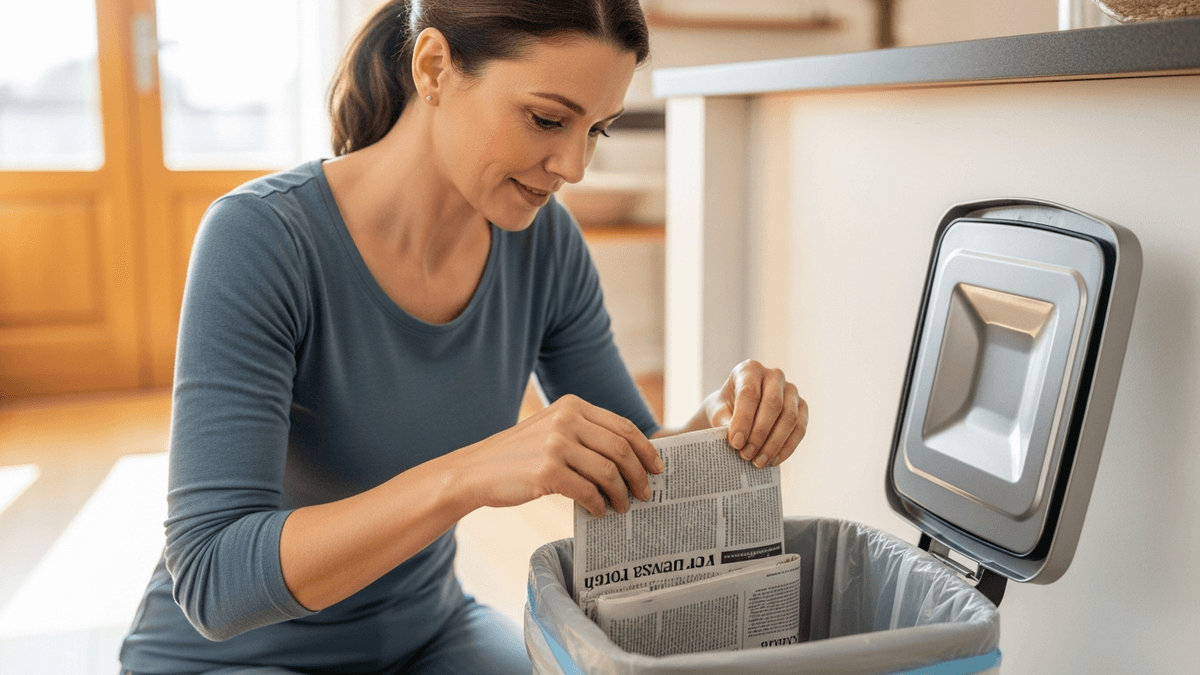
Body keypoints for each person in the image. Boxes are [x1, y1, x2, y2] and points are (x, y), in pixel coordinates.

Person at [119, 1, 808, 673]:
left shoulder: (546, 247)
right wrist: (470, 473)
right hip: (233, 655)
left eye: (596, 129)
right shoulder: (262, 241)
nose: (573, 166)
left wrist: (717, 431)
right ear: (434, 67)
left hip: (427, 634)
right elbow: (214, 577)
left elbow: (633, 475)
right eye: (546, 119)